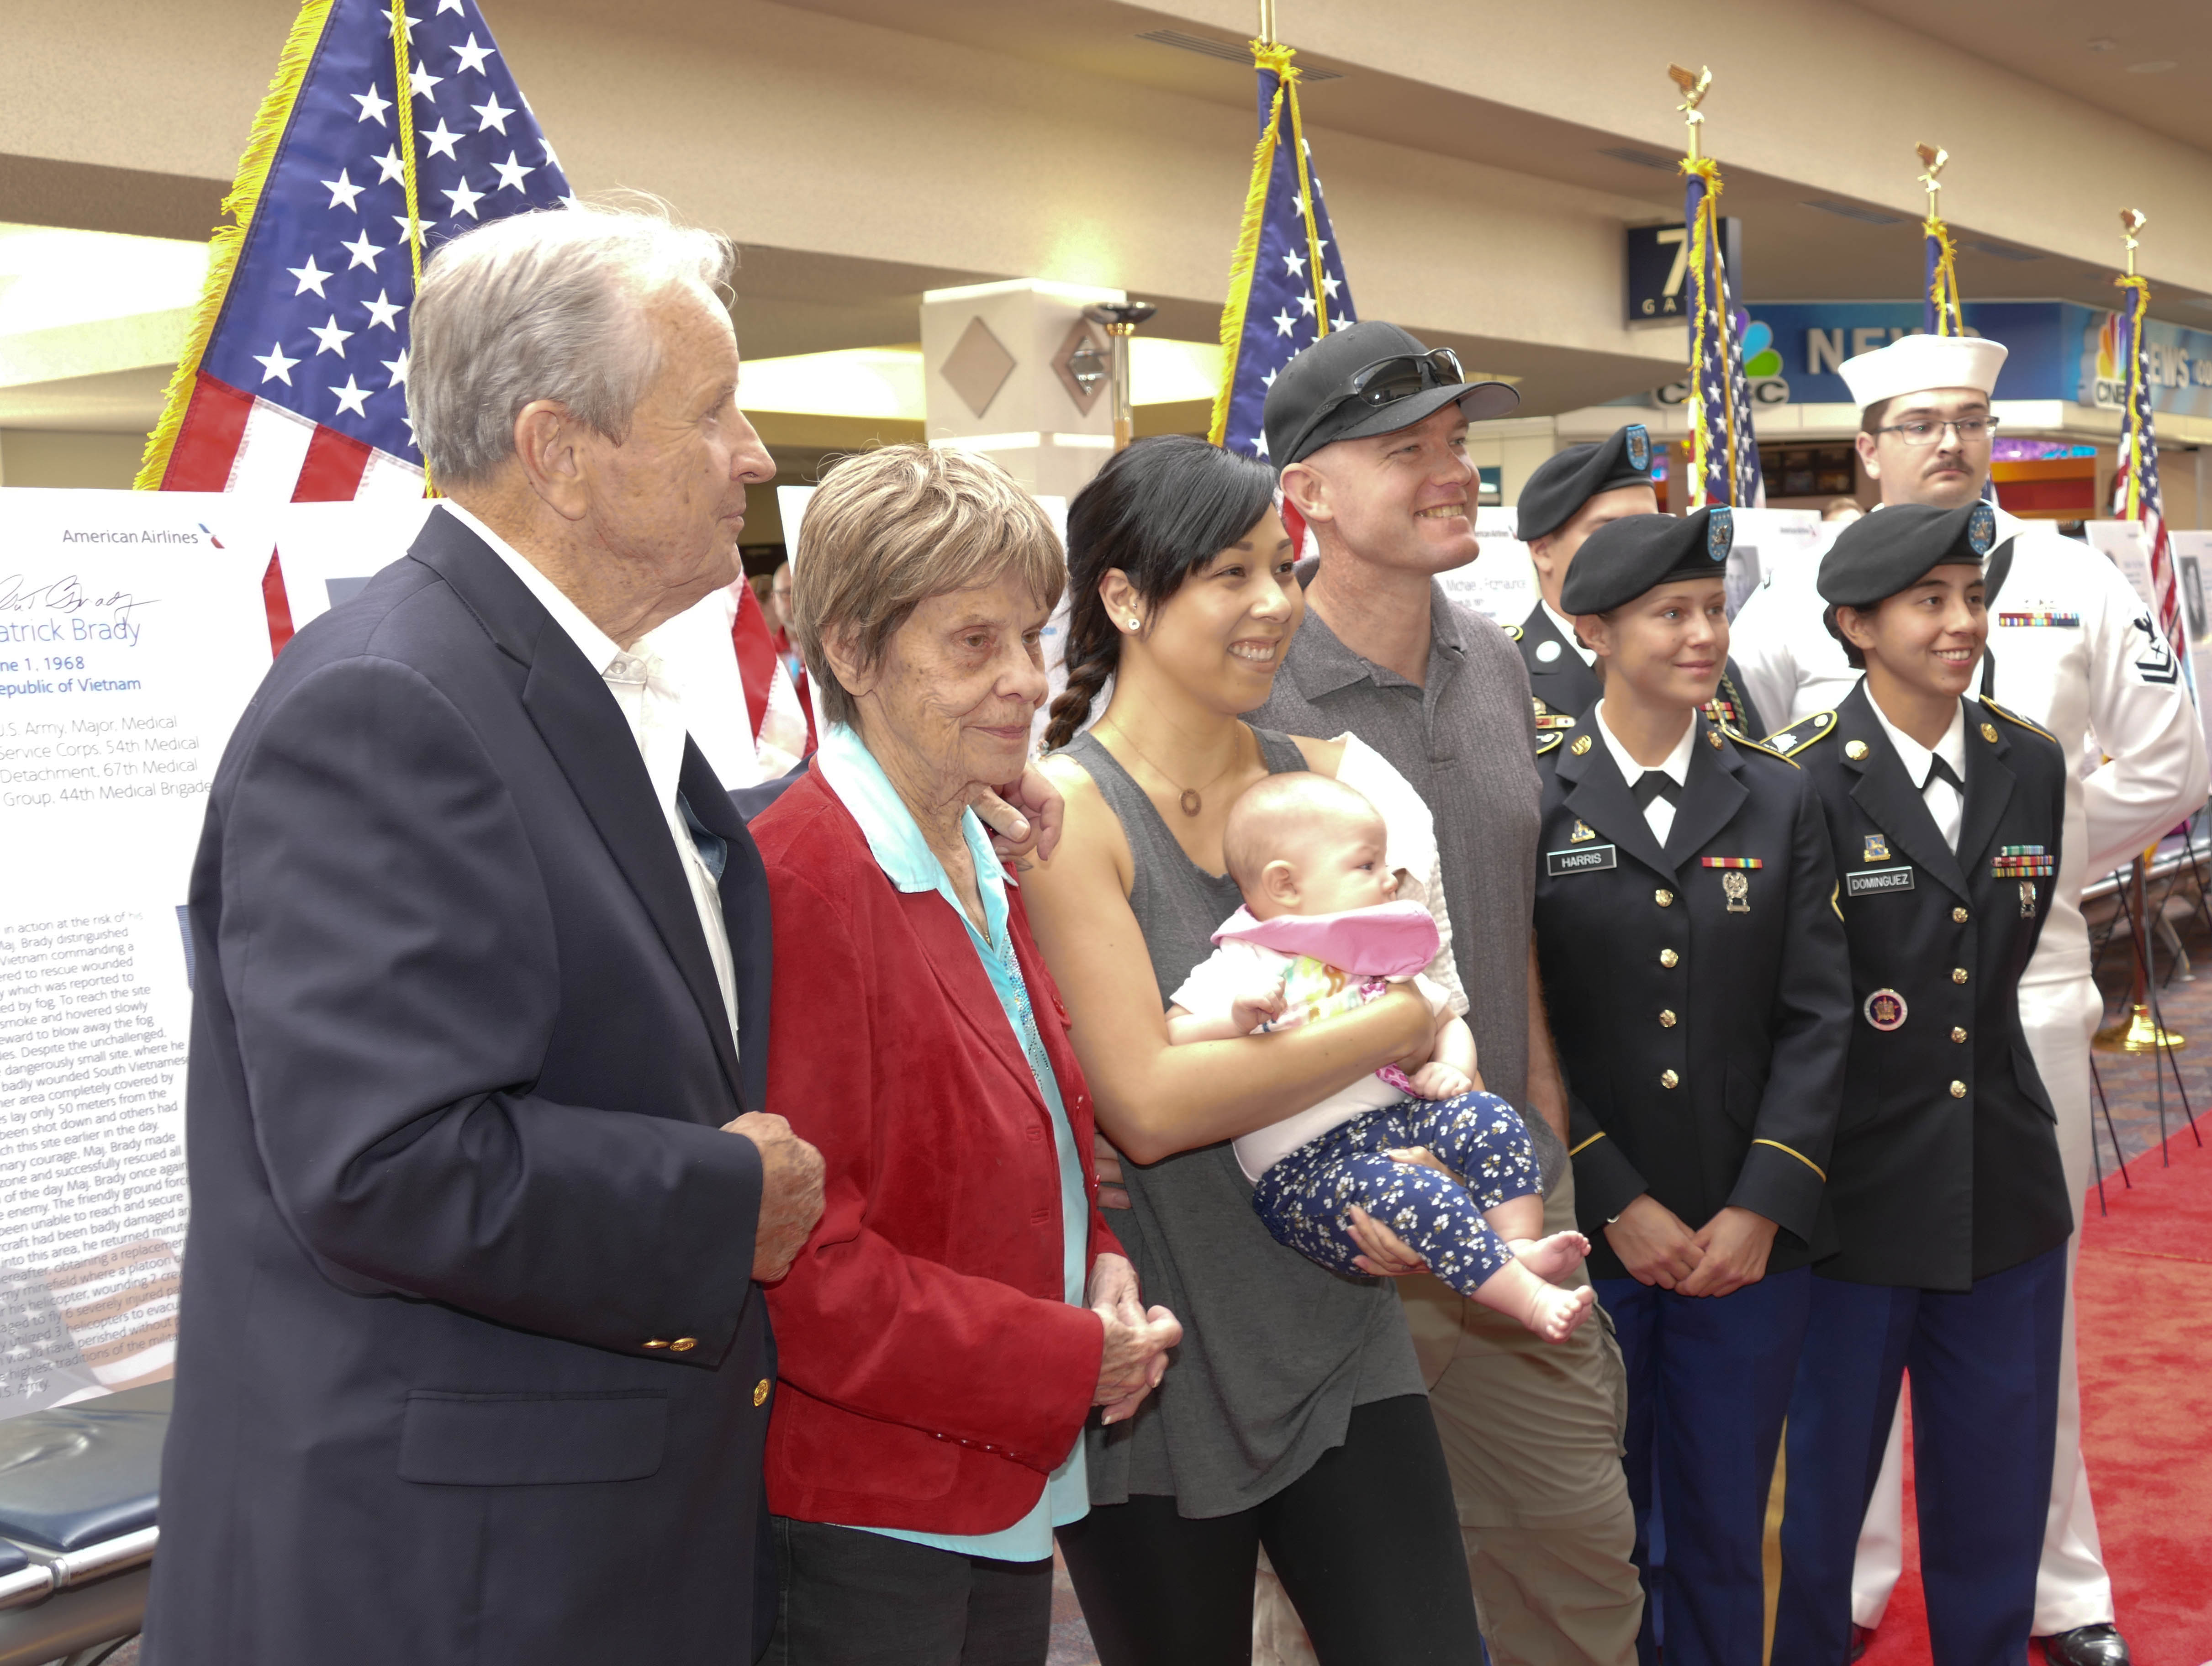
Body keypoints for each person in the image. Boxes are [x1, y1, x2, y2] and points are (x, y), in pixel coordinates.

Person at [140, 203, 830, 1663]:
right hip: (450, 1577)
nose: (755, 455)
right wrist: (718, 1196)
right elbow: (383, 1164)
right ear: (559, 452)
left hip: (575, 1531)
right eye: (711, 412)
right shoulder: (388, 704)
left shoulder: (567, 682)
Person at [1730, 332, 2209, 1666]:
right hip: (1847, 1019)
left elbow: (2169, 757)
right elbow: (1771, 776)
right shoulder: (1787, 603)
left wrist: (2022, 866)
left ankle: (2059, 1587)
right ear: (1867, 443)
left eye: (1971, 419)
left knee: (2015, 1311)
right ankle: (1857, 1574)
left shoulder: (2065, 578)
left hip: (2030, 985)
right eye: (1918, 421)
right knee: (1851, 1318)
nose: (1949, 441)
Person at [1024, 434, 1487, 1665]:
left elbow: (1459, 1040)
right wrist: (1392, 1019)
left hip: (1342, 1329)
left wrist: (1434, 1156)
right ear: (1123, 598)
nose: (1276, 604)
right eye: (1231, 574)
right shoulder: (1068, 814)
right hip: (1161, 1372)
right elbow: (1153, 1103)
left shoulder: (1336, 779)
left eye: (1284, 567)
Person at [1254, 320, 1646, 1665]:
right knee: (1336, 1609)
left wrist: (1537, 1098)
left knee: (1581, 1565)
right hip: (1341, 1231)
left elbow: (1507, 900)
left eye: (1459, 445)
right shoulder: (1252, 689)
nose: (1452, 473)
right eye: (1405, 450)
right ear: (1304, 494)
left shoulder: (1499, 667)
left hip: (1516, 1194)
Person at [748, 444, 1179, 1665]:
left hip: (982, 1489)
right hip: (867, 1515)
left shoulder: (978, 844)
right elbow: (810, 1267)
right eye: (972, 644)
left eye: (1031, 639)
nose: (1026, 681)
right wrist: (1067, 1358)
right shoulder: (811, 879)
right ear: (851, 651)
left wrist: (1093, 1259)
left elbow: (1031, 1125)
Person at [1532, 508, 1850, 1666]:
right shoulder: (1536, 799)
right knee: (1596, 1523)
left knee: (1724, 1523)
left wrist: (1761, 1203)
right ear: (1592, 635)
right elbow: (1534, 1033)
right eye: (1668, 614)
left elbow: (1819, 1016)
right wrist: (1609, 1193)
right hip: (1593, 1236)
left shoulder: (1780, 794)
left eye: (1711, 610)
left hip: (1744, 1241)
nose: (1701, 634)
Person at [1772, 501, 2075, 1666]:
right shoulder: (1794, 782)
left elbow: (1991, 964)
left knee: (1996, 1497)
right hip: (1841, 1196)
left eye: (1969, 597)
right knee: (1810, 1513)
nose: (1961, 623)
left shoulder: (2026, 762)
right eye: (1927, 601)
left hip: (1999, 1184)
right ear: (1853, 623)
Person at [1168, 772, 1596, 1341]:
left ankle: (1516, 1246)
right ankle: (1527, 1298)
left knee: (1489, 1116)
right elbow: (1176, 1037)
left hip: (1395, 1125)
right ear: (1286, 885)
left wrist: (1455, 1066)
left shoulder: (1377, 952)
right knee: (1421, 1193)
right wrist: (1236, 1020)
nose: (1389, 879)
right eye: (1366, 866)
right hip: (1303, 1172)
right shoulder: (1245, 960)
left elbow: (1446, 1019)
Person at [1514, 423, 1765, 736]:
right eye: (1607, 530)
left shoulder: (1706, 663)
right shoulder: (1503, 672)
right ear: (1542, 551)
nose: (1636, 548)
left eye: (1649, 526)